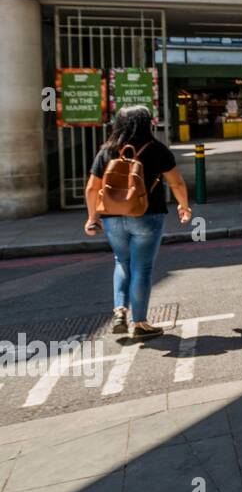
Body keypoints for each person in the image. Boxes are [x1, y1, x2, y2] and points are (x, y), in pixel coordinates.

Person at [83, 106, 191, 340]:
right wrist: (184, 206)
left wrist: (93, 218)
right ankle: (140, 322)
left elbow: (92, 188)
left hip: (112, 218)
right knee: (141, 268)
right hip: (147, 215)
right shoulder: (157, 149)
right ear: (147, 124)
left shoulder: (107, 151)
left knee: (121, 261)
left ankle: (120, 310)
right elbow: (177, 183)